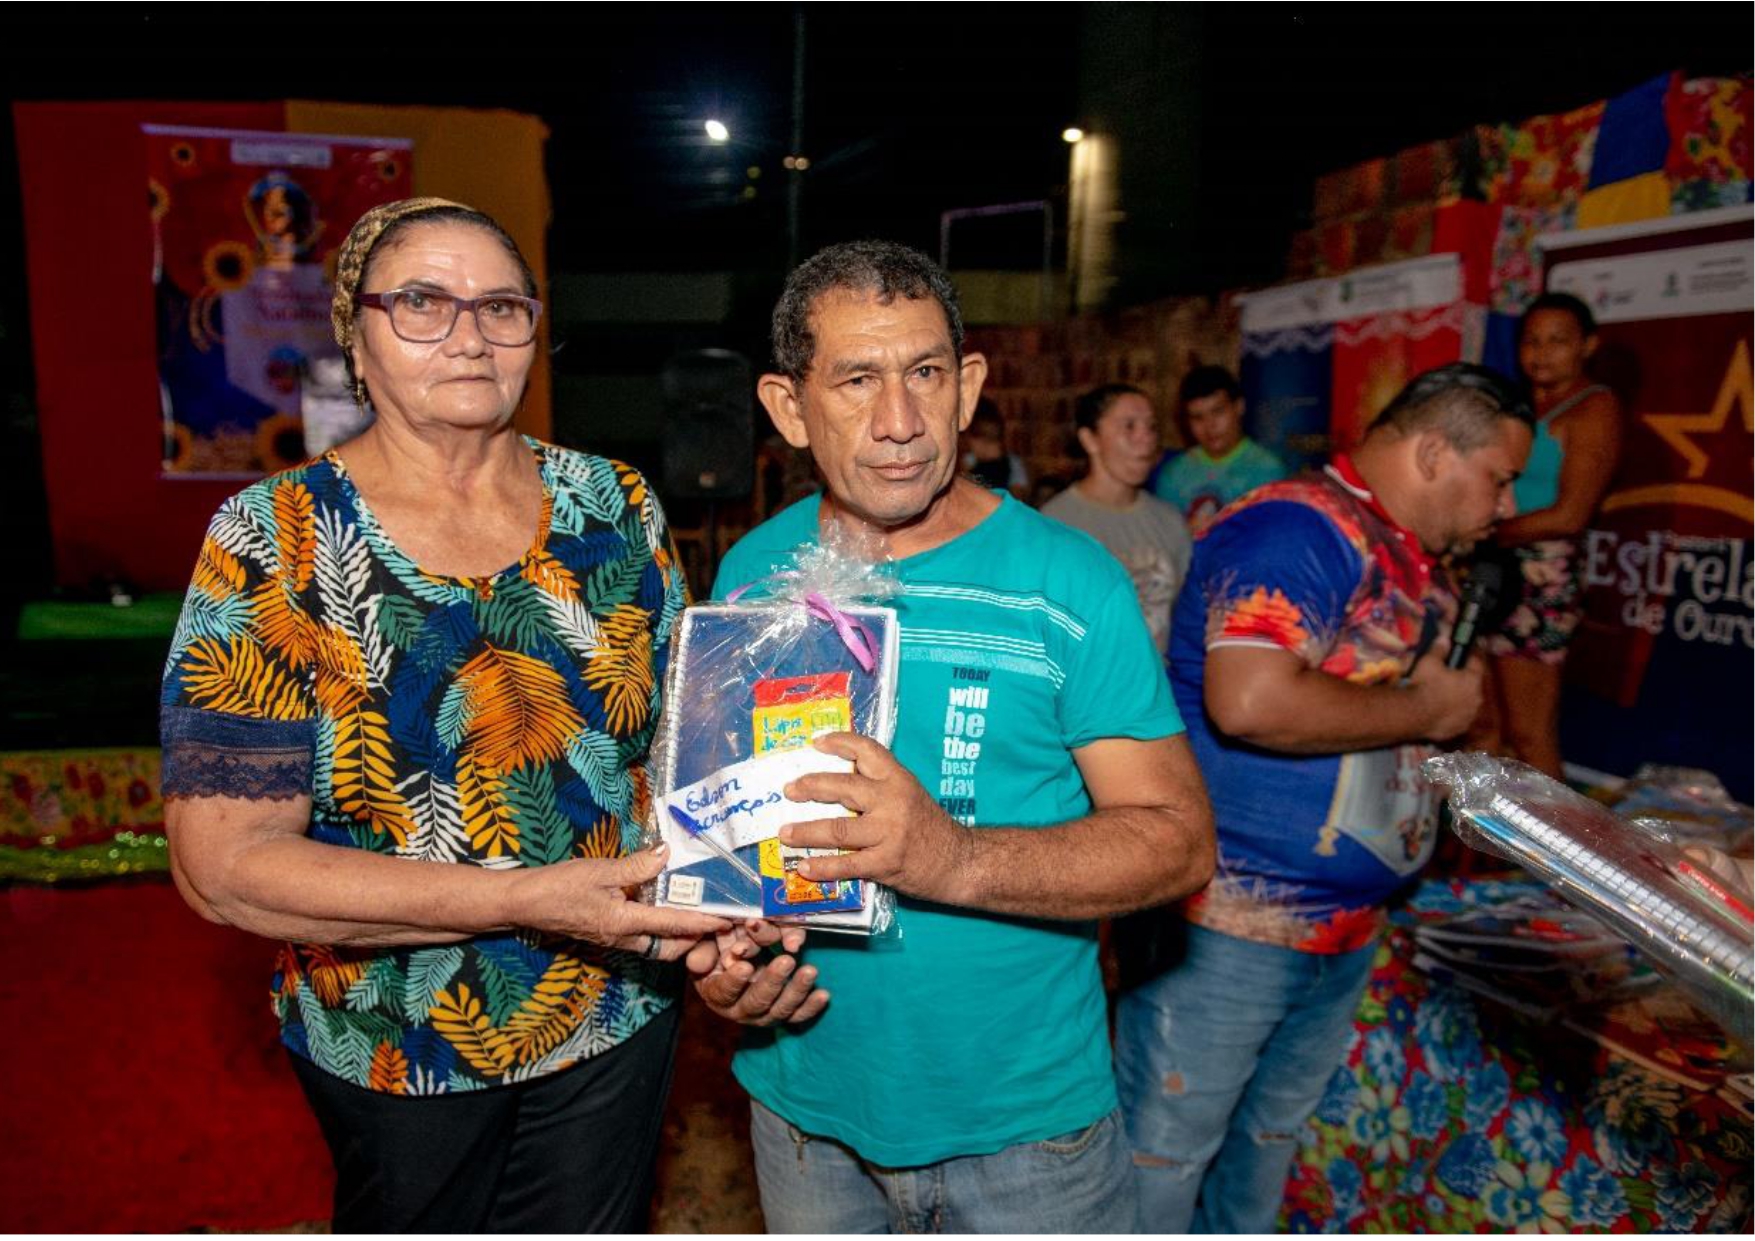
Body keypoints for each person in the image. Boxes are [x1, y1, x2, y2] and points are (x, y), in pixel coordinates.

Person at [158, 197, 734, 1233]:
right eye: (423, 302)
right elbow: (225, 866)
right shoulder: (274, 536)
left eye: (502, 306)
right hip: (399, 1037)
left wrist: (741, 896)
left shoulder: (615, 504)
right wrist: (532, 897)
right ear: (356, 337)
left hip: (618, 1009)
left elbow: (681, 751)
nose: (471, 334)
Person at [691, 240, 1216, 1234]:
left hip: (1026, 1133)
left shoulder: (1069, 580)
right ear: (788, 407)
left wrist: (950, 857)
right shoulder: (755, 570)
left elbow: (1179, 840)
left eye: (925, 373)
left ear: (967, 386)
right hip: (803, 1113)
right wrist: (726, 957)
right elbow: (735, 832)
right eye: (857, 380)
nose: (900, 421)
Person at [1115, 363, 1533, 1233]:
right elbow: (1250, 700)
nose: (1508, 504)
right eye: (1498, 477)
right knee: (1161, 1157)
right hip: (1230, 922)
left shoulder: (1409, 554)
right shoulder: (1298, 527)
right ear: (1432, 452)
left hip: (1342, 925)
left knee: (1264, 1146)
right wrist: (1426, 709)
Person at [1478, 292, 1622, 779]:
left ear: (1587, 345)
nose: (1541, 353)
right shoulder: (1517, 405)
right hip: (1491, 567)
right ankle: (1484, 828)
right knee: (1484, 727)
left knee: (1529, 733)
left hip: (1540, 574)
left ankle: (1556, 832)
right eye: (1531, 341)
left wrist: (1485, 534)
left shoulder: (1594, 407)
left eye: (1557, 341)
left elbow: (1570, 516)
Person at [1042, 383, 1193, 653]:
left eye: (1151, 427)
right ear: (1090, 440)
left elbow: (1185, 615)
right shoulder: (1056, 524)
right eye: (1129, 426)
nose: (1145, 439)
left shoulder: (1169, 520)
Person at [1150, 364, 1287, 533]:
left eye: (1218, 412)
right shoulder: (1173, 474)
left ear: (1239, 407)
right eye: (1198, 418)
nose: (1210, 426)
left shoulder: (1267, 470)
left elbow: (1272, 535)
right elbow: (1161, 538)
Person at [959, 397, 1029, 498]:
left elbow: (1016, 498)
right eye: (978, 436)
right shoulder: (966, 461)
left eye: (992, 438)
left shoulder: (1013, 464)